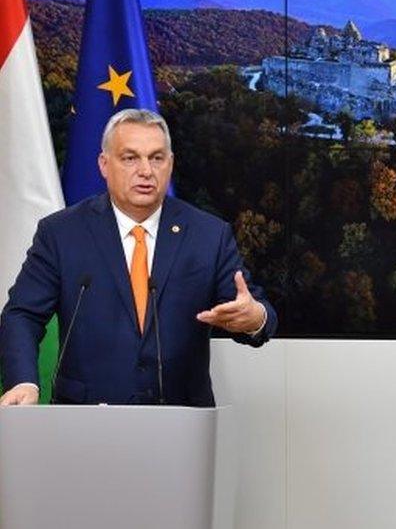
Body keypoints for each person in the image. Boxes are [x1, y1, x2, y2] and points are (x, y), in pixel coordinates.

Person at [0, 109, 277, 406]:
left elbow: (259, 313)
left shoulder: (208, 234)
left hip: (180, 421)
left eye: (156, 158)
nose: (145, 170)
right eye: (130, 158)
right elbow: (22, 314)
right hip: (84, 420)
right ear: (104, 165)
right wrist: (24, 381)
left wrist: (254, 318)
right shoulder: (61, 233)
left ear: (170, 165)